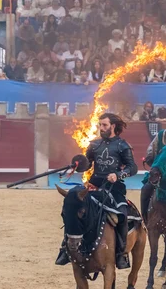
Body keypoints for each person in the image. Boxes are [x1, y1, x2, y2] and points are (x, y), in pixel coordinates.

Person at [55, 113, 138, 269]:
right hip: (94, 186)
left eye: (105, 125)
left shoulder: (122, 145)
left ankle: (121, 254)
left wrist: (118, 174)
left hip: (114, 188)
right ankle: (65, 249)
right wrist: (77, 164)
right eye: (100, 125)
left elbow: (132, 167)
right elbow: (87, 165)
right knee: (72, 208)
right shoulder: (94, 145)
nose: (101, 128)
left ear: (113, 126)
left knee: (121, 215)